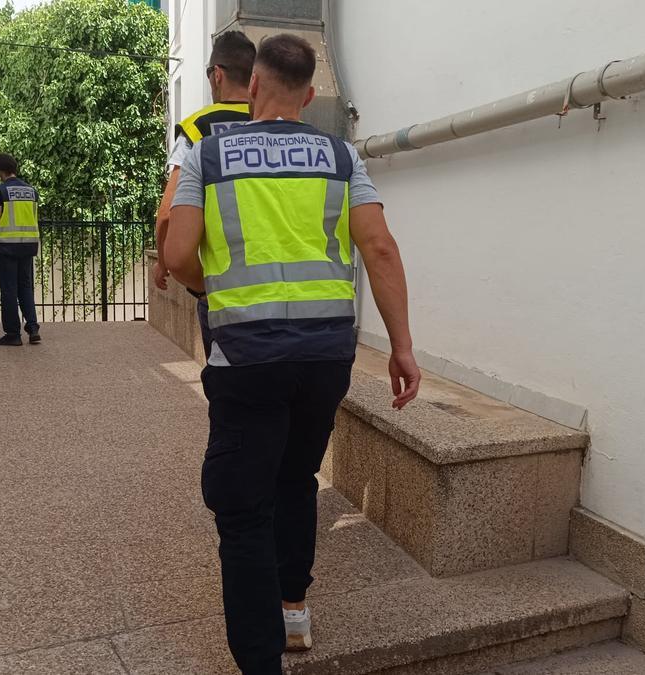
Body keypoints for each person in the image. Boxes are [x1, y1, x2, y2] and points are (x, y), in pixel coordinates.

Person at [164, 34, 421, 674]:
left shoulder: (209, 154)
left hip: (247, 358)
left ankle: (260, 662)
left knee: (243, 508)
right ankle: (294, 611)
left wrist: (213, 285)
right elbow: (381, 250)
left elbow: (176, 255)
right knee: (296, 479)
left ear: (252, 86)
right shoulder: (339, 156)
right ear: (309, 95)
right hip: (324, 359)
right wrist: (402, 347)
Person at [153, 30, 256, 359]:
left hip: (221, 289)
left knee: (231, 394)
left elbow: (167, 214)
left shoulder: (198, 129)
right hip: (283, 292)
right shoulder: (277, 125)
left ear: (218, 75)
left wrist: (164, 264)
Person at [0, 153, 41, 346]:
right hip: (29, 245)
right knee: (25, 287)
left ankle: (13, 334)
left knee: (9, 290)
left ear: (0, 171)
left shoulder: (0, 190)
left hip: (7, 246)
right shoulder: (32, 191)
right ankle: (33, 328)